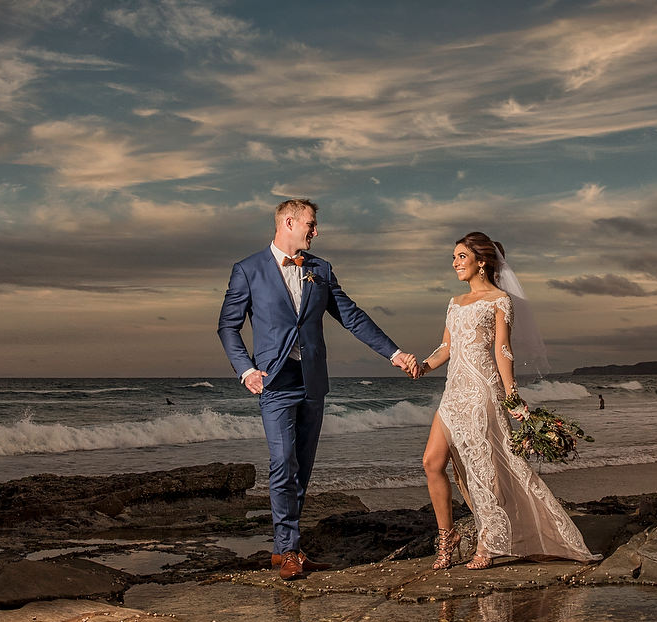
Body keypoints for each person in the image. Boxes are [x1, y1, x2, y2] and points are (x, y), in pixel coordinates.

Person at [218, 198, 418, 580]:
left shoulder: (320, 269)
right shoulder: (247, 270)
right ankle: (290, 549)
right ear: (289, 222)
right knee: (282, 462)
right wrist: (246, 371)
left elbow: (352, 316)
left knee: (302, 467)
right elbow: (227, 326)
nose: (315, 231)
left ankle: (284, 550)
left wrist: (393, 353)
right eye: (311, 224)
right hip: (273, 383)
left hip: (312, 380)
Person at [415, 232, 598, 570]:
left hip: (484, 392)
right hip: (453, 394)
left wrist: (512, 396)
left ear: (481, 261)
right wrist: (423, 365)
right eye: (453, 257)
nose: (454, 263)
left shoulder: (500, 300)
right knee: (432, 462)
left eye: (460, 256)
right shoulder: (454, 302)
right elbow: (446, 347)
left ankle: (489, 540)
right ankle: (448, 536)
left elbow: (502, 350)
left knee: (485, 469)